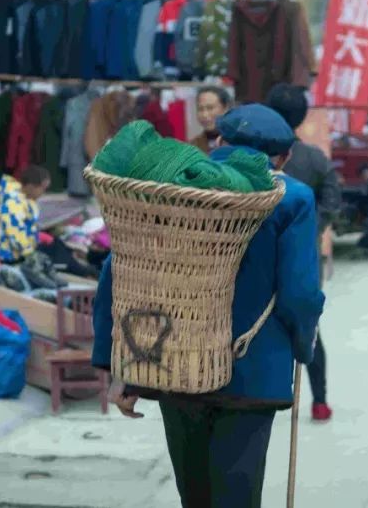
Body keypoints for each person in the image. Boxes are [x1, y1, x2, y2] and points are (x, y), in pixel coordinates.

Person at [94, 104, 325, 508]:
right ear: (285, 157)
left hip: (176, 366)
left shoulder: (174, 188)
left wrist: (124, 373)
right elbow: (300, 294)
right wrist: (303, 347)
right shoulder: (292, 198)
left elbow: (121, 271)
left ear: (218, 142)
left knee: (195, 498)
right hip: (252, 375)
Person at [265, 83, 340, 422]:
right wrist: (314, 225)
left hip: (261, 255)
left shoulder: (258, 158)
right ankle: (320, 401)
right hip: (305, 258)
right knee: (308, 327)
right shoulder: (314, 158)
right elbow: (333, 197)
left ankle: (264, 396)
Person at [0, 165, 50, 266]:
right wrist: (30, 254)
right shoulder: (12, 205)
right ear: (31, 187)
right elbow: (16, 233)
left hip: (20, 254)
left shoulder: (25, 201)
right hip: (10, 258)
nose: (44, 193)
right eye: (43, 189)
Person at [190, 85, 232, 153]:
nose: (204, 115)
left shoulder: (237, 142)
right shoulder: (193, 147)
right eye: (200, 109)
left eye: (210, 108)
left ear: (226, 108)